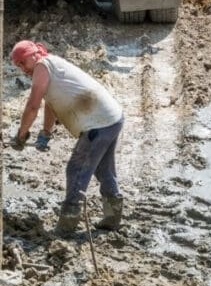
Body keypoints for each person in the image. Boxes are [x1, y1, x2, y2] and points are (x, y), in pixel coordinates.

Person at [10, 40, 126, 234]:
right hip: (112, 118)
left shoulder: (41, 65)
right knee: (104, 169)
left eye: (23, 62)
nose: (22, 68)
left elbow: (32, 106)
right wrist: (46, 133)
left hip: (97, 124)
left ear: (34, 54)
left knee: (76, 169)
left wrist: (21, 135)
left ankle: (67, 224)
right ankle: (113, 218)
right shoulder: (51, 64)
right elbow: (50, 103)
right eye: (18, 65)